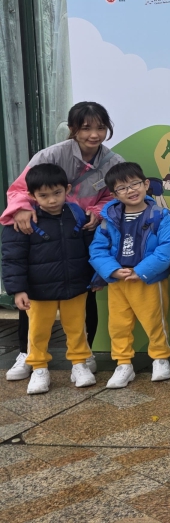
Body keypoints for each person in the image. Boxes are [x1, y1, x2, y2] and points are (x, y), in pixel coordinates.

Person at [3, 101, 122, 381]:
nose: (94, 134)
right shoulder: (50, 155)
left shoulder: (113, 162)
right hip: (44, 230)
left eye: (100, 127)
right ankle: (26, 353)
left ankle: (84, 354)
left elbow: (113, 195)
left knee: (84, 292)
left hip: (80, 231)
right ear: (72, 129)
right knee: (34, 295)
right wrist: (21, 209)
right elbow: (20, 189)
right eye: (86, 128)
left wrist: (96, 211)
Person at [1, 164, 98, 394]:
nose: (52, 200)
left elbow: (92, 249)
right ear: (31, 195)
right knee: (38, 331)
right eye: (43, 195)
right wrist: (18, 289)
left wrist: (96, 277)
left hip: (76, 286)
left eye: (57, 193)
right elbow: (12, 258)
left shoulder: (78, 214)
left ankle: (79, 364)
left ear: (67, 189)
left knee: (77, 327)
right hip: (39, 290)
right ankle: (39, 368)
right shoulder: (23, 221)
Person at [89, 162, 170, 389]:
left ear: (146, 184)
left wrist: (141, 271)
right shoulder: (109, 219)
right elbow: (97, 249)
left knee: (155, 321)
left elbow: (166, 248)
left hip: (148, 279)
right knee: (118, 325)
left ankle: (160, 358)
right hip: (118, 280)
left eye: (134, 184)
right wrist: (112, 270)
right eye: (122, 188)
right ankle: (123, 363)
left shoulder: (160, 215)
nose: (130, 190)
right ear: (114, 194)